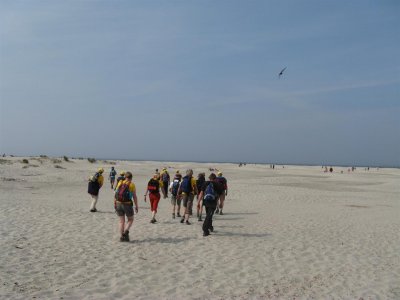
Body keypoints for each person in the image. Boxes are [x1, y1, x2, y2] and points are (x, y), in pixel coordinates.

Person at [114, 171, 138, 242]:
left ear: (125, 177)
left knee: (121, 222)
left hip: (118, 203)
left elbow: (116, 194)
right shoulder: (132, 185)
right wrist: (136, 206)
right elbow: (134, 196)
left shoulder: (120, 182)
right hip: (127, 204)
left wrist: (115, 203)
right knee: (130, 219)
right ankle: (125, 231)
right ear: (131, 178)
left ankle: (121, 237)